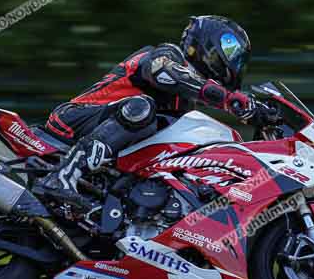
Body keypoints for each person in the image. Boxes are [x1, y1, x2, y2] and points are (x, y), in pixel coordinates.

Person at [37, 15, 272, 208]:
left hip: (112, 151)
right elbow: (167, 74)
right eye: (233, 55)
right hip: (75, 119)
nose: (235, 65)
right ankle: (63, 175)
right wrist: (229, 99)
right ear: (209, 44)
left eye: (240, 61)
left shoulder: (185, 104)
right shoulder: (167, 55)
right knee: (143, 107)